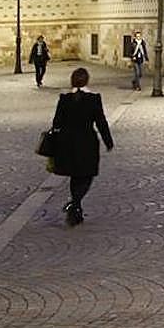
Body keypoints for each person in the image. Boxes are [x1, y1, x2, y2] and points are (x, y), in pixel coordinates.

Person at [51, 67, 113, 226]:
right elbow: (101, 122)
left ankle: (75, 208)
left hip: (67, 143)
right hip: (87, 142)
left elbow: (56, 122)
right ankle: (75, 204)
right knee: (87, 174)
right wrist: (108, 141)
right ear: (87, 80)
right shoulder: (93, 99)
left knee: (75, 175)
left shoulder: (64, 98)